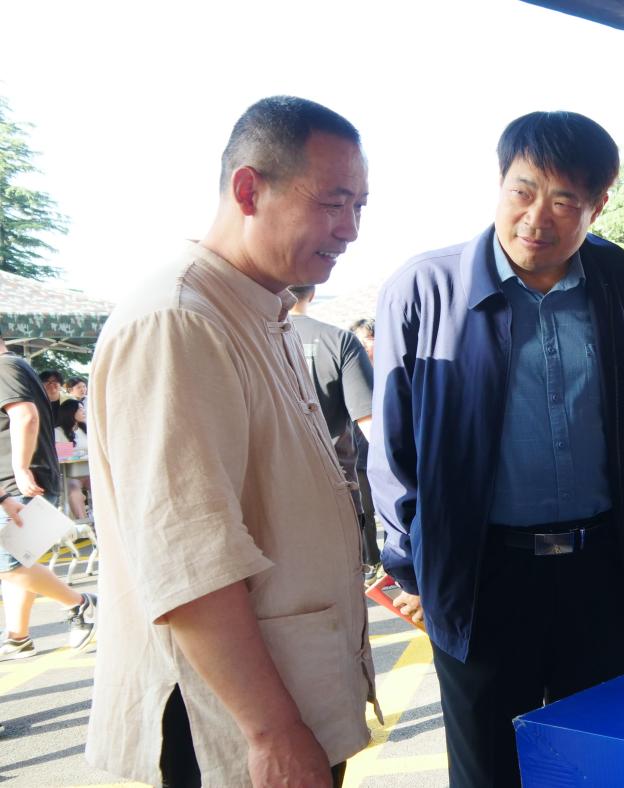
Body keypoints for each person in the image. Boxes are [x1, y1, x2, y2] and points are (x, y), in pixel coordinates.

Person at [85, 96, 374, 787]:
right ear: (249, 189)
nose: (351, 229)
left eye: (361, 207)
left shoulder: (255, 309)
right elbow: (187, 561)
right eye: (334, 203)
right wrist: (272, 731)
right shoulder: (179, 321)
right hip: (232, 730)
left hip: (288, 698)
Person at [370, 110, 624, 788]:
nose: (536, 217)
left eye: (564, 200)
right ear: (499, 182)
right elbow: (393, 446)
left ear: (597, 204)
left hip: (597, 576)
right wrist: (413, 573)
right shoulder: (425, 286)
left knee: (603, 765)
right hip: (483, 579)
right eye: (522, 190)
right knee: (490, 772)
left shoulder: (619, 281)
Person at [0, 337, 97, 661]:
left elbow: (25, 416)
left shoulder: (5, 366)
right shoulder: (17, 366)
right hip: (25, 480)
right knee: (18, 562)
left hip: (19, 483)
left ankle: (80, 603)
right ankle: (18, 637)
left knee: (8, 564)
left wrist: (20, 466)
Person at [286, 285, 375, 574]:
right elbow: (372, 428)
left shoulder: (248, 340)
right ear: (312, 293)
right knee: (343, 586)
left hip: (275, 492)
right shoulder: (339, 340)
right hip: (337, 486)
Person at [347, 318, 381, 574]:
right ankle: (373, 561)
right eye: (361, 340)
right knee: (365, 512)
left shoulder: (391, 368)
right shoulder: (348, 369)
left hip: (385, 453)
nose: (365, 345)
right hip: (359, 454)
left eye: (369, 339)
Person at [54, 398, 90, 520]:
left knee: (101, 486)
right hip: (68, 475)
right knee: (74, 490)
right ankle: (83, 523)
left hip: (88, 471)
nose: (83, 411)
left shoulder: (85, 429)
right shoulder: (58, 432)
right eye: (80, 409)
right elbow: (63, 456)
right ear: (70, 412)